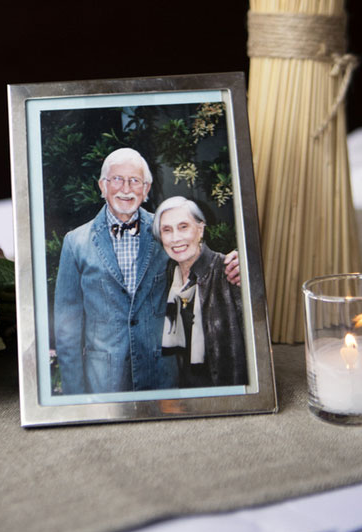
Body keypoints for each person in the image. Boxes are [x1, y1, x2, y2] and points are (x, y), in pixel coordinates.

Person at [53, 147, 239, 396]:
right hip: (103, 380)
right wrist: (74, 396)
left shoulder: (166, 230)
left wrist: (236, 266)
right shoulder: (76, 242)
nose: (126, 188)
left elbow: (201, 264)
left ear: (147, 189)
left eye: (135, 181)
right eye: (117, 179)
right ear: (102, 186)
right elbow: (67, 327)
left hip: (162, 375)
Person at [153, 196, 247, 388]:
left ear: (200, 229)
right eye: (167, 230)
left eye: (183, 227)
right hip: (183, 389)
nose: (176, 238)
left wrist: (248, 268)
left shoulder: (229, 271)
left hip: (223, 388)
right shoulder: (168, 276)